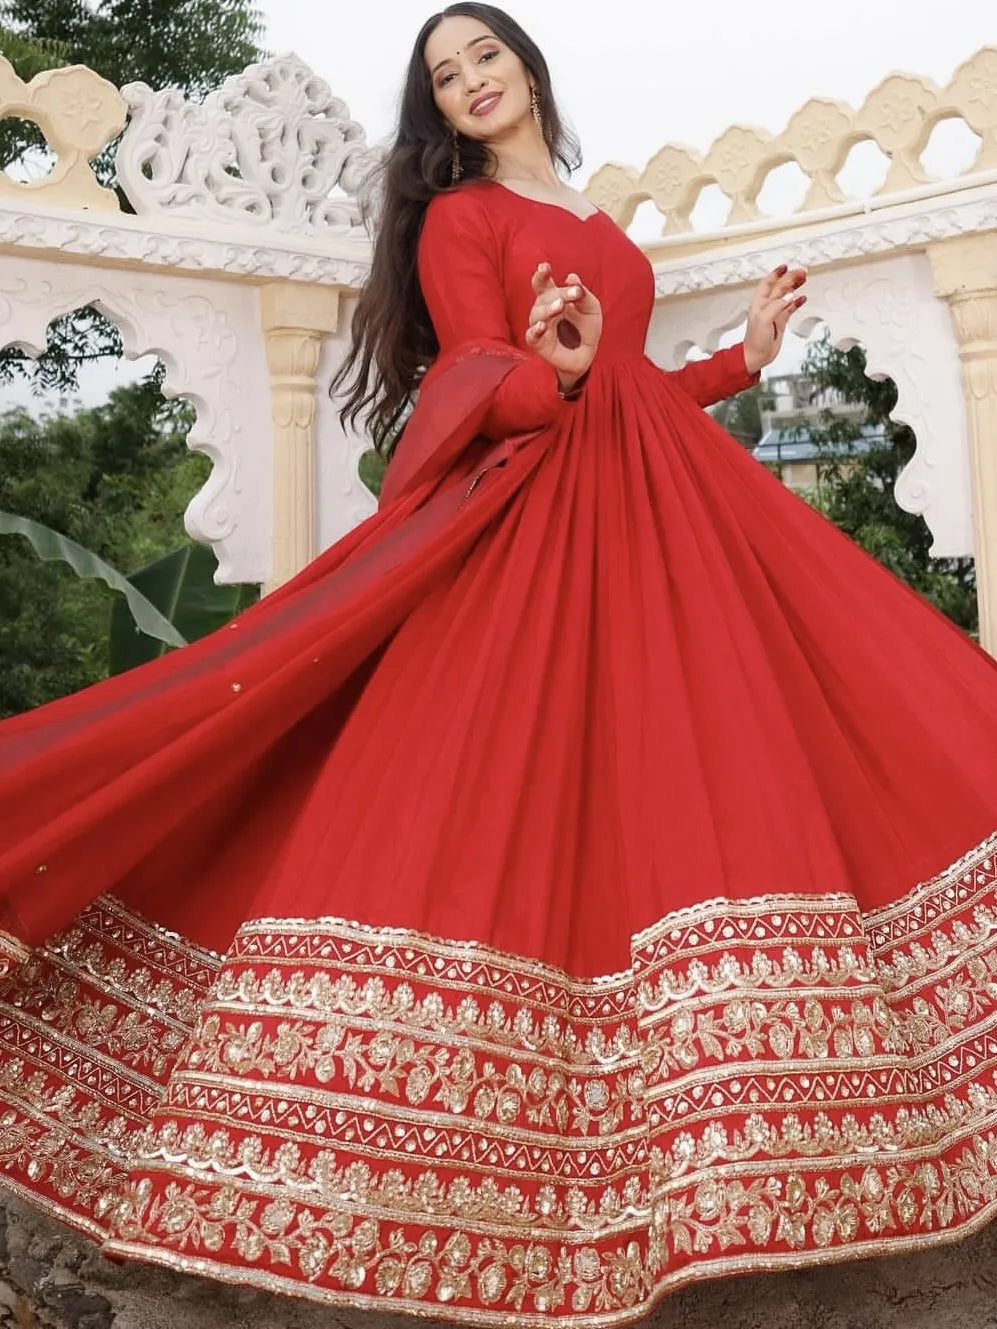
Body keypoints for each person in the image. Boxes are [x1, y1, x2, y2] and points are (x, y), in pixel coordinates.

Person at [0, 3, 996, 1323]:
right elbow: (479, 371)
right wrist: (551, 374)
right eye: (443, 74)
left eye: (484, 55)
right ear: (437, 108)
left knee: (736, 759)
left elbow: (619, 380)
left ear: (526, 64)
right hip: (538, 517)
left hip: (656, 505)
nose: (470, 81)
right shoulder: (460, 223)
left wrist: (733, 363)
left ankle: (727, 1139)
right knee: (506, 789)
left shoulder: (583, 212)